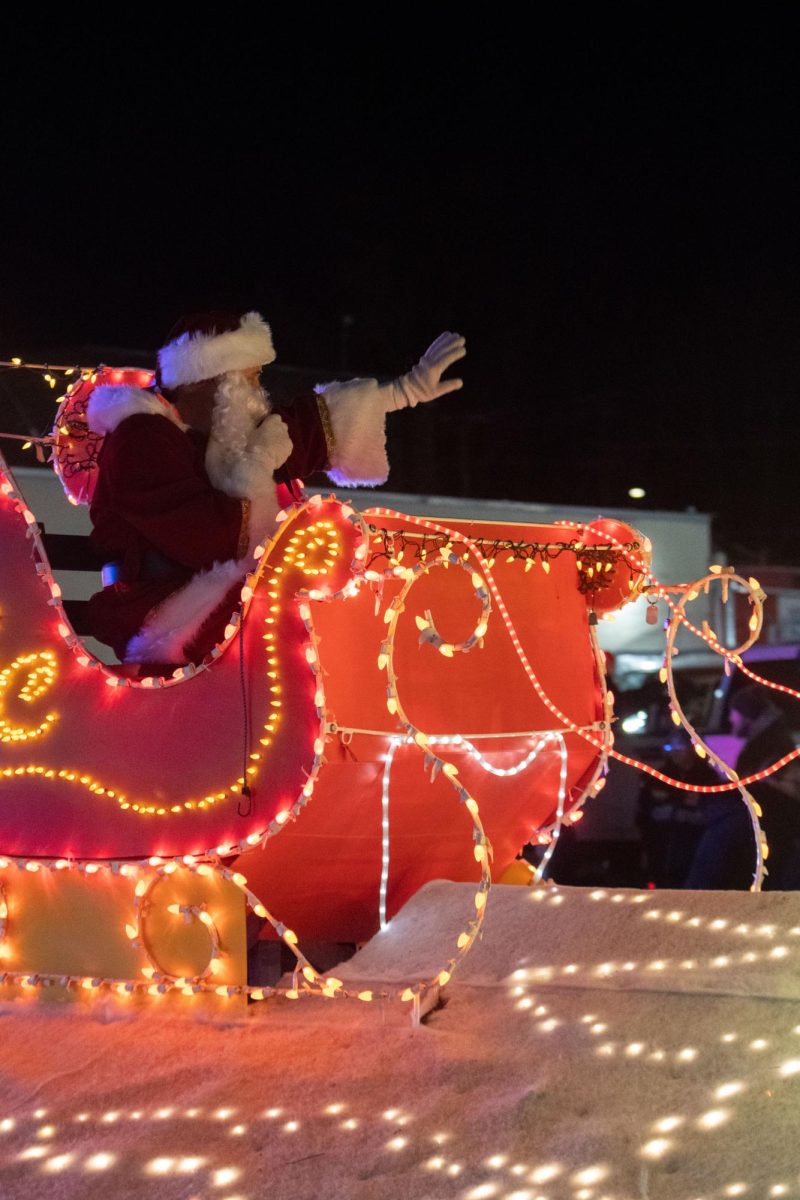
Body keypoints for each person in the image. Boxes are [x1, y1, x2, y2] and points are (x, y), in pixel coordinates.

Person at [85, 312, 465, 668]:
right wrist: (259, 464)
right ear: (206, 381)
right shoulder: (143, 438)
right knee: (299, 606)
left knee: (344, 592)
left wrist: (401, 392)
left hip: (204, 590)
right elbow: (210, 538)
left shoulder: (203, 434)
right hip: (159, 610)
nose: (257, 391)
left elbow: (299, 429)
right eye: (249, 378)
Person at [683, 685, 800, 889]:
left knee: (715, 847)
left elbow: (761, 788)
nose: (731, 720)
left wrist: (717, 794)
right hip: (764, 823)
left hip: (764, 824)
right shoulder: (768, 740)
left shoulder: (768, 744)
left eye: (734, 713)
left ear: (747, 714)